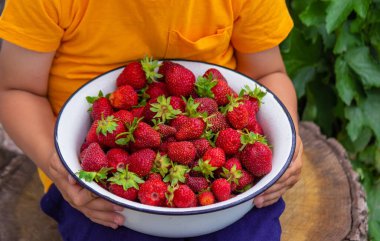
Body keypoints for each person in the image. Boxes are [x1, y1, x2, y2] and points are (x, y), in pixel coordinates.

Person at [0, 0, 303, 240]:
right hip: (99, 193)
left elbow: (267, 74)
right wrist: (57, 164)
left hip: (232, 196)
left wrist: (287, 147)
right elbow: (16, 90)